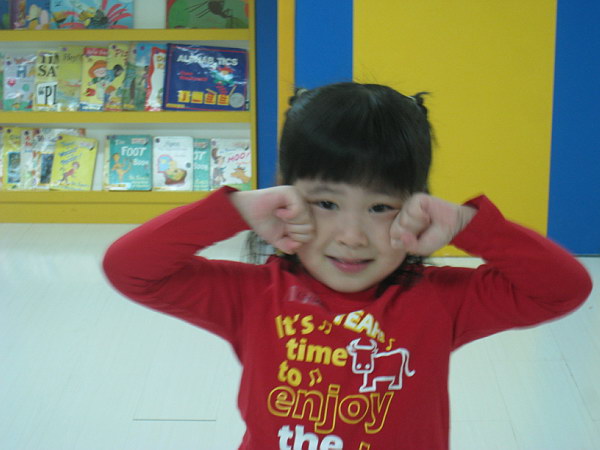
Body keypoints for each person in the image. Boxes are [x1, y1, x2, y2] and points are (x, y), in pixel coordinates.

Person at [103, 82, 592, 449]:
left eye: (380, 207)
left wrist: (470, 226)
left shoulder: (439, 300)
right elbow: (129, 268)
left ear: (416, 207)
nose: (352, 236)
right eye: (326, 203)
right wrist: (232, 210)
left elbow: (563, 289)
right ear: (285, 199)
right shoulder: (252, 295)